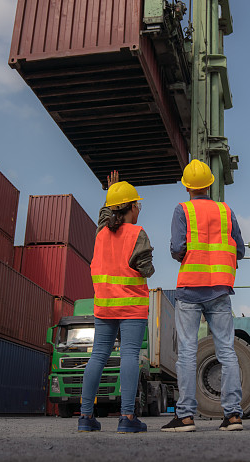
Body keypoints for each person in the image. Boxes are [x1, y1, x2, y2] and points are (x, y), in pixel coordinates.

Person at [162, 160, 245, 432]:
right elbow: (240, 250)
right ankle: (233, 416)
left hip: (190, 289)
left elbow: (177, 248)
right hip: (220, 288)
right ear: (210, 183)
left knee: (187, 352)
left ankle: (185, 416)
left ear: (187, 186)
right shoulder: (225, 211)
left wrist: (185, 255)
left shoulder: (182, 210)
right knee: (226, 351)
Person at [78, 171, 154, 434]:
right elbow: (146, 270)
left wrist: (109, 194)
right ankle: (127, 418)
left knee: (98, 356)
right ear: (133, 208)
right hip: (131, 307)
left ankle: (86, 417)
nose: (139, 209)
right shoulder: (137, 233)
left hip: (104, 307)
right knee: (130, 355)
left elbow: (104, 217)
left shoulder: (101, 233)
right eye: (138, 205)